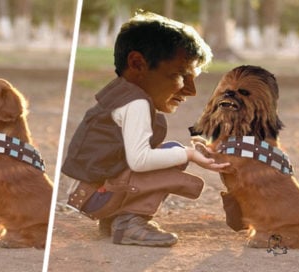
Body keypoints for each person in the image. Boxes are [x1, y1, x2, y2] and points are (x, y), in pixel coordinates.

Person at [62, 11, 229, 247]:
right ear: (137, 64)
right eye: (181, 75)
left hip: (91, 192)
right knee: (174, 157)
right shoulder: (136, 103)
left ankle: (116, 218)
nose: (191, 91)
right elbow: (139, 160)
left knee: (172, 150)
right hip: (95, 197)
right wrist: (189, 154)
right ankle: (129, 223)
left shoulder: (121, 94)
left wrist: (184, 151)